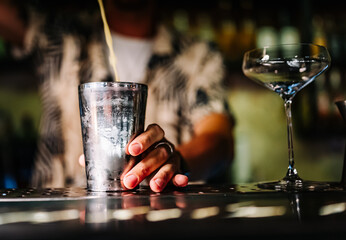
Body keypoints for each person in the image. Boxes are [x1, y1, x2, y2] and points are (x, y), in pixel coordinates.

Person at [0, 0, 234, 192]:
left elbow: (220, 141)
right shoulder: (60, 37)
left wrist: (177, 160)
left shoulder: (198, 55)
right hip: (56, 220)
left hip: (161, 221)